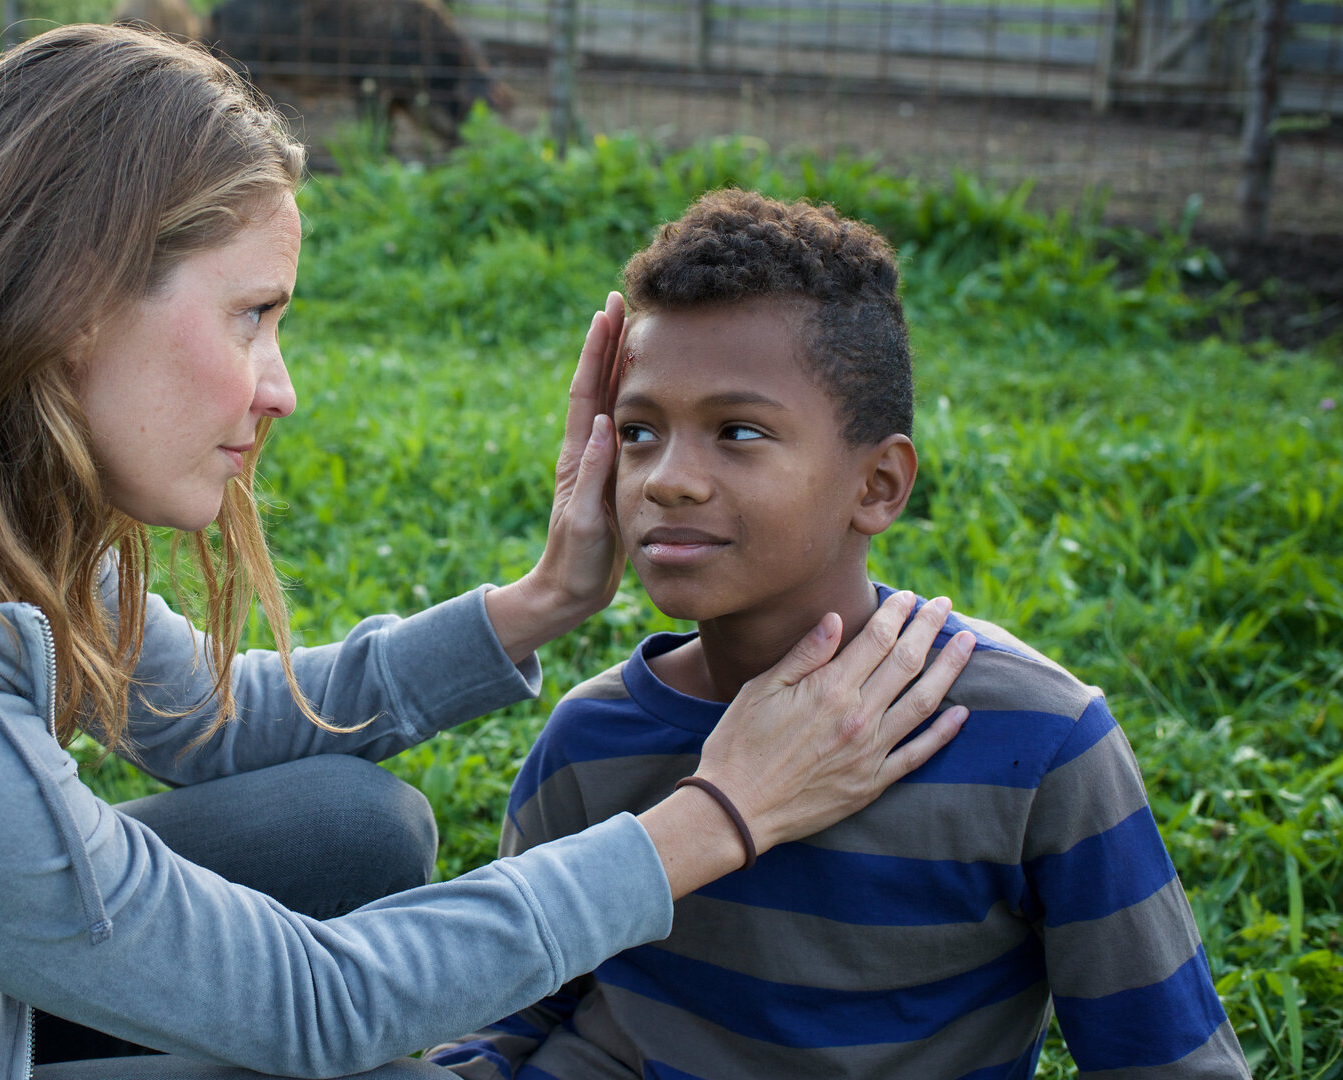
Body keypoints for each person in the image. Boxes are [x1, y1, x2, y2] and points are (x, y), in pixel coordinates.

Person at [0, 28, 974, 1080]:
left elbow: (207, 723)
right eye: (252, 316)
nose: (280, 385)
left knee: (350, 835)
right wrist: (715, 817)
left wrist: (540, 602)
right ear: (75, 295)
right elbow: (314, 1006)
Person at [426, 190, 1249, 1079]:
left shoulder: (1035, 742)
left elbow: (1166, 1059)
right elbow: (511, 1010)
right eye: (638, 432)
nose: (667, 478)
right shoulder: (592, 737)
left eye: (738, 432)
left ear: (879, 485)